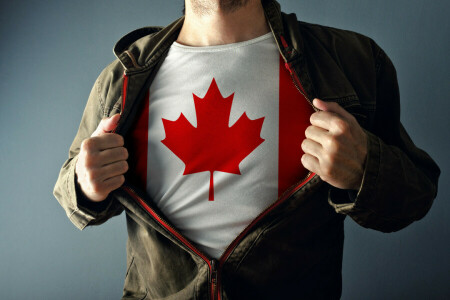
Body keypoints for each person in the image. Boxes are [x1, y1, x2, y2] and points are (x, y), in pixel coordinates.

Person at [54, 0, 440, 299]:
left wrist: (364, 169)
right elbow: (69, 187)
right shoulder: (123, 75)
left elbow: (416, 197)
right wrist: (84, 183)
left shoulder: (352, 62)